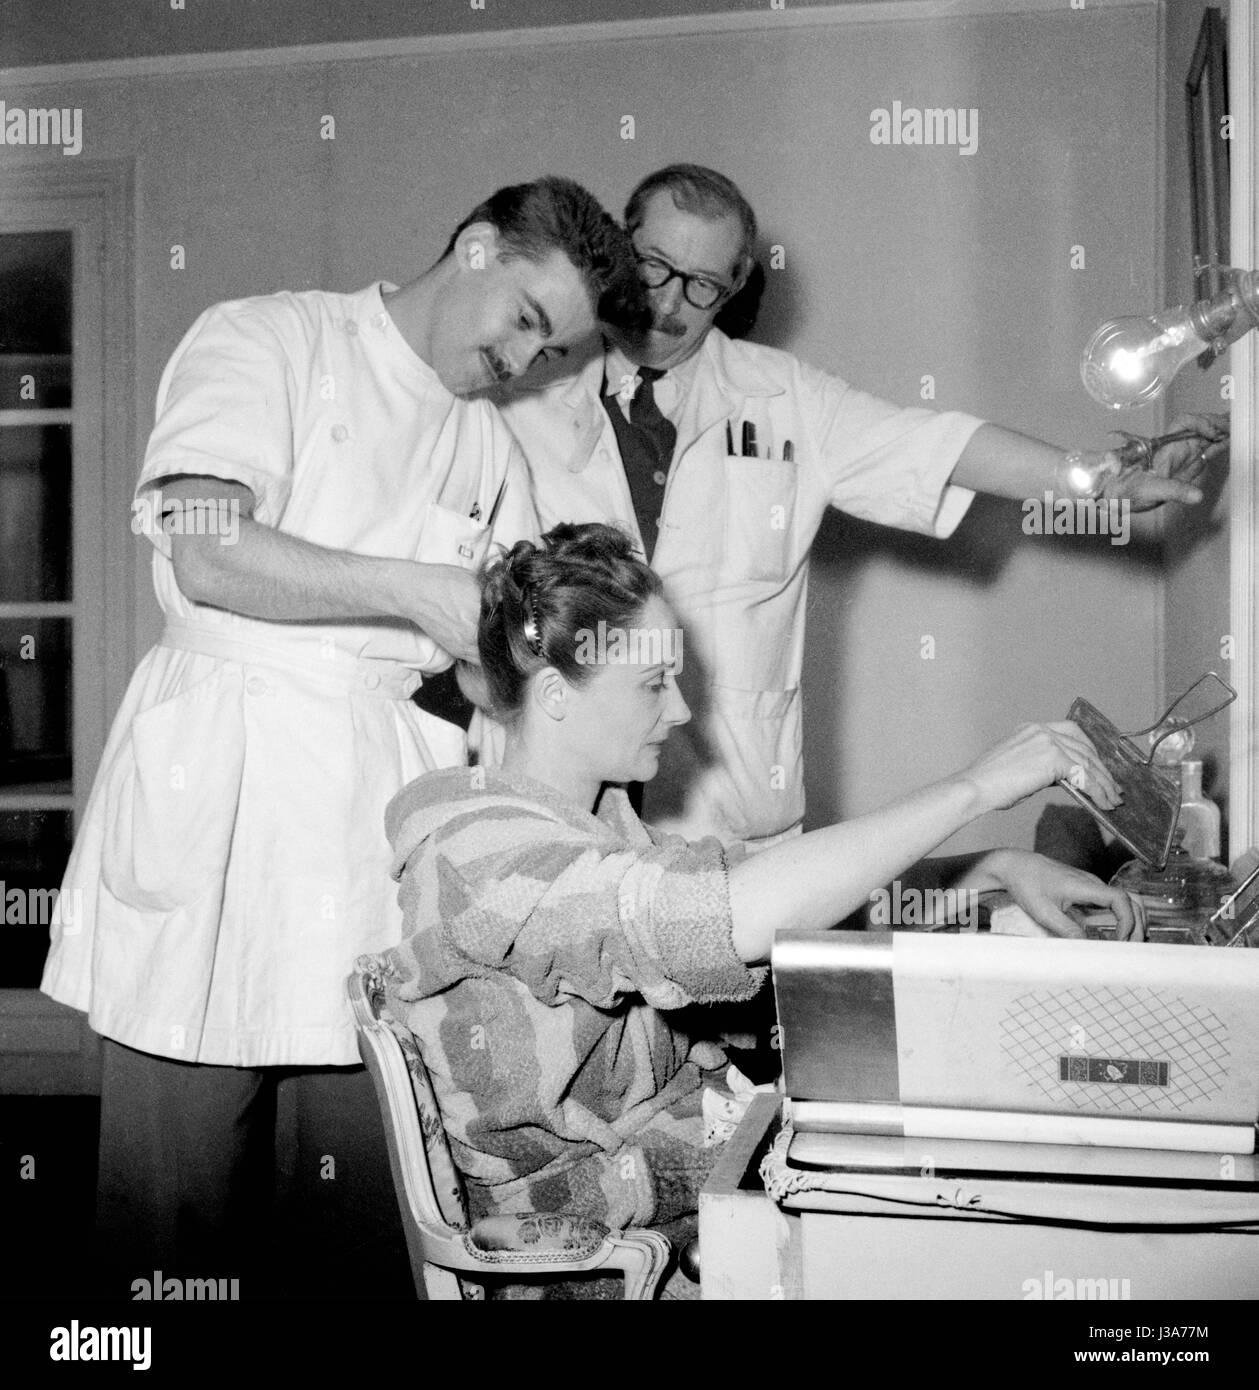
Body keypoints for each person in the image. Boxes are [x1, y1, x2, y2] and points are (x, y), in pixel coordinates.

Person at [39, 177, 647, 1296]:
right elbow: (206, 542)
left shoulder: (487, 444)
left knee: (366, 1198)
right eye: (522, 319)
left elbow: (495, 657)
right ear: (471, 247)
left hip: (378, 812)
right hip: (226, 780)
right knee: (175, 1216)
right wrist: (413, 593)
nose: (523, 363)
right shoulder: (272, 337)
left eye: (552, 350)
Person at [380, 523, 1138, 1292]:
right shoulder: (485, 855)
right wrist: (974, 789)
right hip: (601, 1257)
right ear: (554, 697)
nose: (679, 709)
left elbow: (765, 881)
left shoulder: (583, 826)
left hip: (679, 1191)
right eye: (652, 684)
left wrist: (995, 870)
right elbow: (722, 913)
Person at [497, 164, 1230, 848]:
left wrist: (1091, 479)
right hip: (552, 804)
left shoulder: (786, 398)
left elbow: (935, 445)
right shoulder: (527, 386)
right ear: (622, 246)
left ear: (737, 285)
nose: (665, 302)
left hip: (725, 816)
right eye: (652, 265)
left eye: (701, 285)